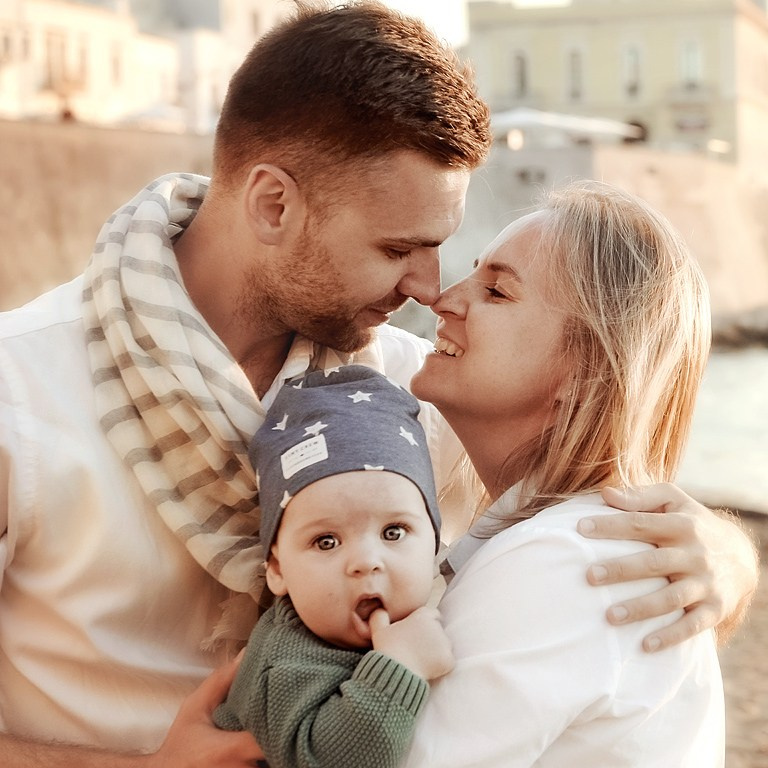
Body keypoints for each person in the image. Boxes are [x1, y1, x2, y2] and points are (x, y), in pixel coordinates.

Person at [0, 2, 757, 766]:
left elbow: (571, 492)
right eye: (399, 247)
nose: (432, 289)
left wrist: (724, 556)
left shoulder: (405, 391)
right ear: (273, 204)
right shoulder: (20, 392)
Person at [402, 180, 728, 766]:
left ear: (586, 372)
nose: (443, 298)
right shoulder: (562, 541)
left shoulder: (571, 562)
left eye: (497, 291)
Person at [213, 365, 451, 768]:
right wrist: (400, 668)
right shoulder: (286, 664)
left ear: (434, 544)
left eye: (394, 532)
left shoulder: (459, 589)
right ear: (277, 569)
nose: (365, 562)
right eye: (326, 542)